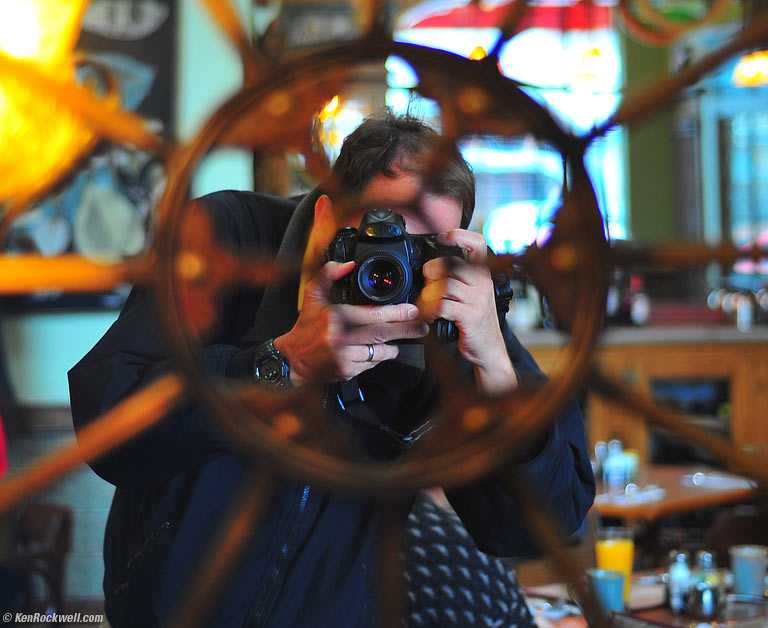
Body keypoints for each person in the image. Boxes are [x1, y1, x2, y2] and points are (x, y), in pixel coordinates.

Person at [68, 110, 595, 627]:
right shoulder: (225, 241)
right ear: (324, 219)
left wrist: (493, 365)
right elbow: (108, 422)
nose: (395, 270)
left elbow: (540, 528)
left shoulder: (453, 311)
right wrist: (284, 362)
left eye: (423, 248)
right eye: (378, 234)